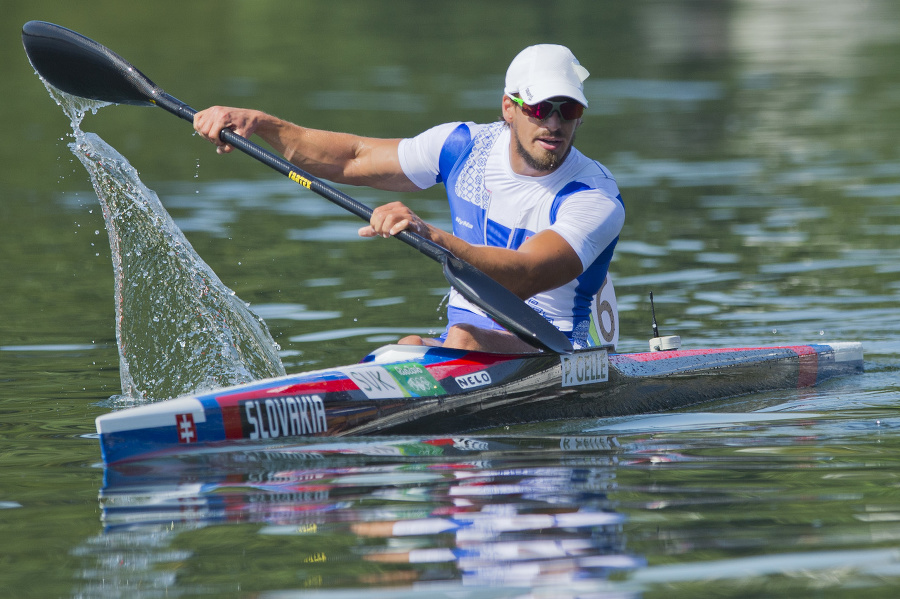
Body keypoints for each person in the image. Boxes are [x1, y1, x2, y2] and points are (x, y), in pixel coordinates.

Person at [194, 44, 624, 353]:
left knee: (458, 340)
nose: (554, 124)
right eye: (540, 108)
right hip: (471, 341)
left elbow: (526, 276)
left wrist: (428, 234)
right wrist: (261, 123)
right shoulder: (463, 147)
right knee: (404, 347)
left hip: (556, 348)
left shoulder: (593, 195)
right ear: (509, 108)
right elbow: (350, 158)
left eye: (569, 111)